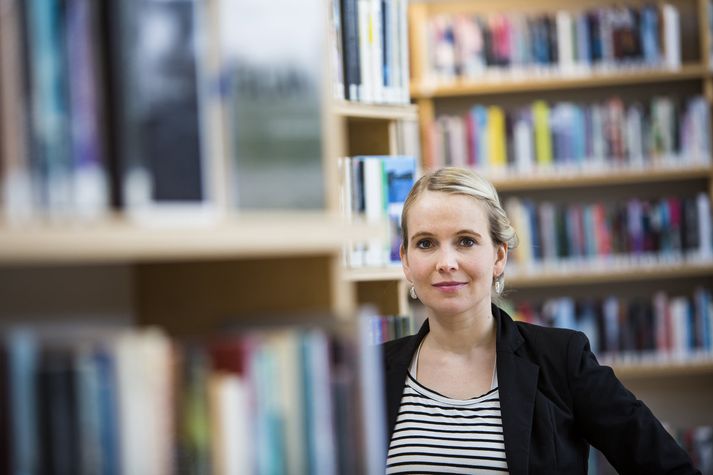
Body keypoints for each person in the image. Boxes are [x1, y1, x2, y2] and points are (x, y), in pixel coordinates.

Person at [382, 167, 699, 474]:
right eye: (425, 243)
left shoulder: (562, 358)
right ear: (406, 261)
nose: (446, 262)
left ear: (499, 256)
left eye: (466, 241)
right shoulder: (372, 371)